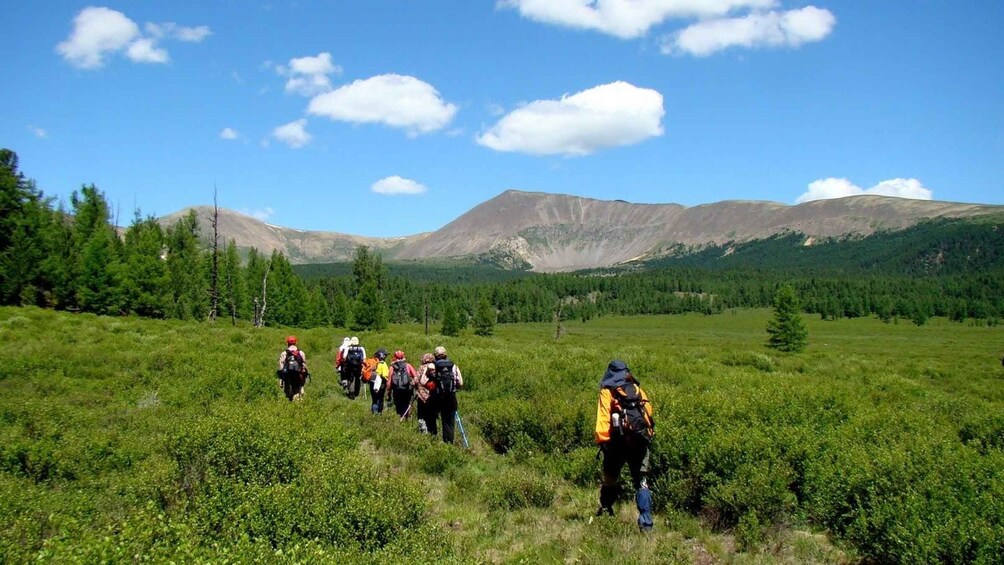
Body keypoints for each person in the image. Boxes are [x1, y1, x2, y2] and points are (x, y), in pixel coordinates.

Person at [595, 359, 655, 532]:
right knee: (641, 481)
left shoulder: (607, 391)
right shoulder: (637, 389)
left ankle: (606, 509)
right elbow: (648, 414)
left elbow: (603, 417)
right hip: (640, 442)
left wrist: (603, 441)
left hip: (617, 443)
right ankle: (646, 522)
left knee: (610, 478)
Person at [429, 345, 463, 444]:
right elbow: (460, 383)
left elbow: (423, 381)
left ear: (435, 355)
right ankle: (448, 443)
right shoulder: (454, 366)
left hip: (437, 398)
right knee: (449, 422)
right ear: (446, 355)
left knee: (432, 418)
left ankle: (432, 440)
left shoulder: (433, 366)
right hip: (451, 398)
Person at [387, 350, 419, 419]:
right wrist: (415, 387)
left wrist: (388, 393)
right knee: (406, 404)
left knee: (398, 405)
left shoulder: (392, 367)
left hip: (396, 390)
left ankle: (400, 417)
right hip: (407, 389)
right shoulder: (408, 366)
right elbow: (416, 377)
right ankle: (406, 418)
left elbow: (389, 382)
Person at [277, 336, 309, 402]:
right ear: (296, 343)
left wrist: (281, 380)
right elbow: (304, 366)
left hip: (288, 376)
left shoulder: (284, 353)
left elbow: (281, 367)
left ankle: (290, 404)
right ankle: (297, 404)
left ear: (287, 343)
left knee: (288, 393)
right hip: (298, 376)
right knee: (297, 391)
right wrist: (303, 380)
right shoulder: (301, 353)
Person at [415, 353, 436, 434]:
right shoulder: (435, 367)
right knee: (431, 415)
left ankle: (423, 431)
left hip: (421, 396)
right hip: (432, 396)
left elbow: (416, 380)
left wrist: (413, 384)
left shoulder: (421, 368)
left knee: (421, 415)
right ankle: (433, 432)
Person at [366, 348, 389, 414]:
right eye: (385, 355)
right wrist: (389, 382)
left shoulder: (373, 363)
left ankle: (374, 411)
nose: (385, 356)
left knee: (374, 399)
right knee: (380, 398)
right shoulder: (383, 364)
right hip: (381, 384)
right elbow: (385, 375)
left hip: (372, 383)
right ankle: (379, 412)